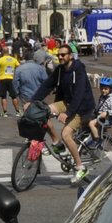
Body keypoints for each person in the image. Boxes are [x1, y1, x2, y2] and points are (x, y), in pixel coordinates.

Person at [37, 45, 96, 185]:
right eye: (59, 55)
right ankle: (57, 144)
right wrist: (32, 101)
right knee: (42, 112)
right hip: (66, 102)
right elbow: (47, 85)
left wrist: (68, 113)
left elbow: (79, 94)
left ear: (70, 55)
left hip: (81, 108)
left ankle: (80, 167)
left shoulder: (79, 70)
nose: (61, 57)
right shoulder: (59, 70)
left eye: (63, 55)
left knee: (66, 134)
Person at [0, 46, 18, 118]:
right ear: (8, 52)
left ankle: (5, 112)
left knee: (3, 96)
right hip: (11, 78)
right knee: (14, 96)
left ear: (2, 52)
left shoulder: (0, 60)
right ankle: (17, 111)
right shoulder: (14, 59)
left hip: (2, 79)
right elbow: (18, 67)